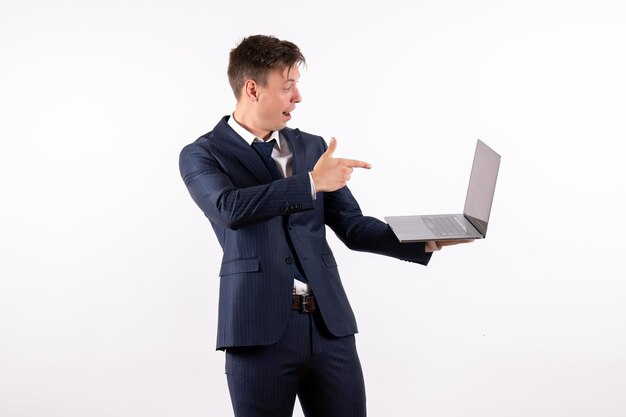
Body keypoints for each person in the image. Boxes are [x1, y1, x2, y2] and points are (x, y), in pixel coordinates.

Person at [179, 34, 471, 417]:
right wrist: (312, 183)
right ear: (252, 89)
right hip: (258, 331)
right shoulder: (202, 153)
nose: (297, 97)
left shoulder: (311, 148)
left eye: (297, 85)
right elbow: (229, 208)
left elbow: (351, 226)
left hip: (329, 327)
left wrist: (424, 240)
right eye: (287, 87)